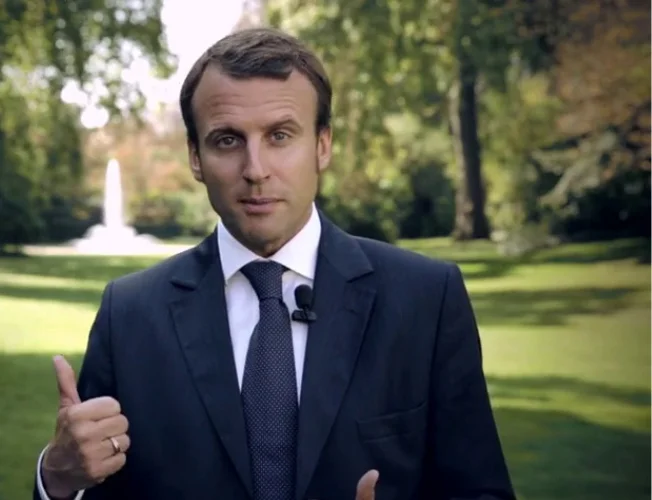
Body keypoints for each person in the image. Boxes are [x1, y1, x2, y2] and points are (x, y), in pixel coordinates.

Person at [33, 27, 515, 500]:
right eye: (227, 140)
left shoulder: (425, 299)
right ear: (195, 158)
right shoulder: (130, 315)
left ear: (322, 145)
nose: (256, 169)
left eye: (280, 136)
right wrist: (58, 480)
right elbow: (95, 486)